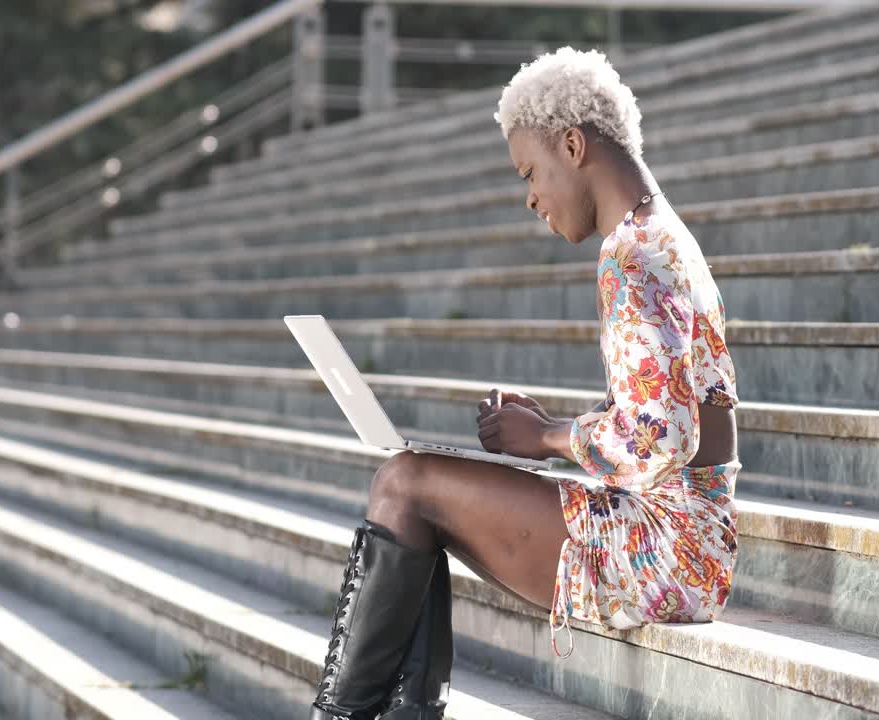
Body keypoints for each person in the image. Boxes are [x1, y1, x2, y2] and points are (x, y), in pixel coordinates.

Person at [309, 46, 741, 720]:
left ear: (573, 145)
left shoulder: (632, 255)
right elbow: (671, 416)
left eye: (531, 172)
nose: (531, 197)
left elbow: (661, 437)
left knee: (405, 485)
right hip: (687, 539)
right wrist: (552, 431)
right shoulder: (662, 237)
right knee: (413, 486)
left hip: (665, 550)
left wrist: (544, 437)